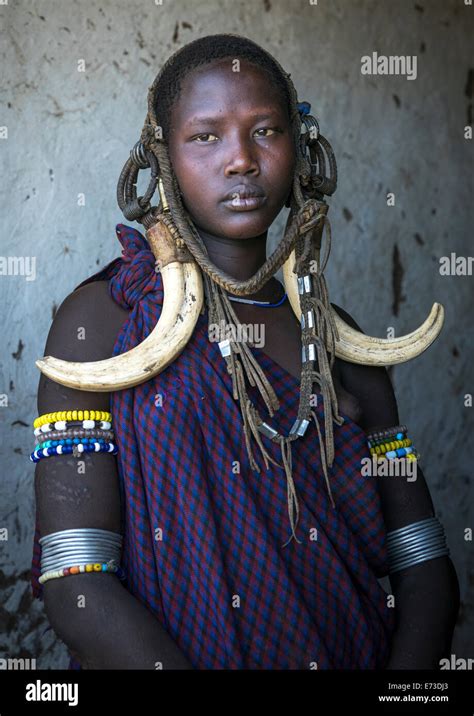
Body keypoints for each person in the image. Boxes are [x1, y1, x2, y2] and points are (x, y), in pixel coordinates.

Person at [30, 34, 459, 670]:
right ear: (163, 156)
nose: (241, 161)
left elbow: (423, 568)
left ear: (302, 150)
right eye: (206, 136)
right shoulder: (103, 322)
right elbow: (75, 582)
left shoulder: (339, 341)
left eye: (266, 131)